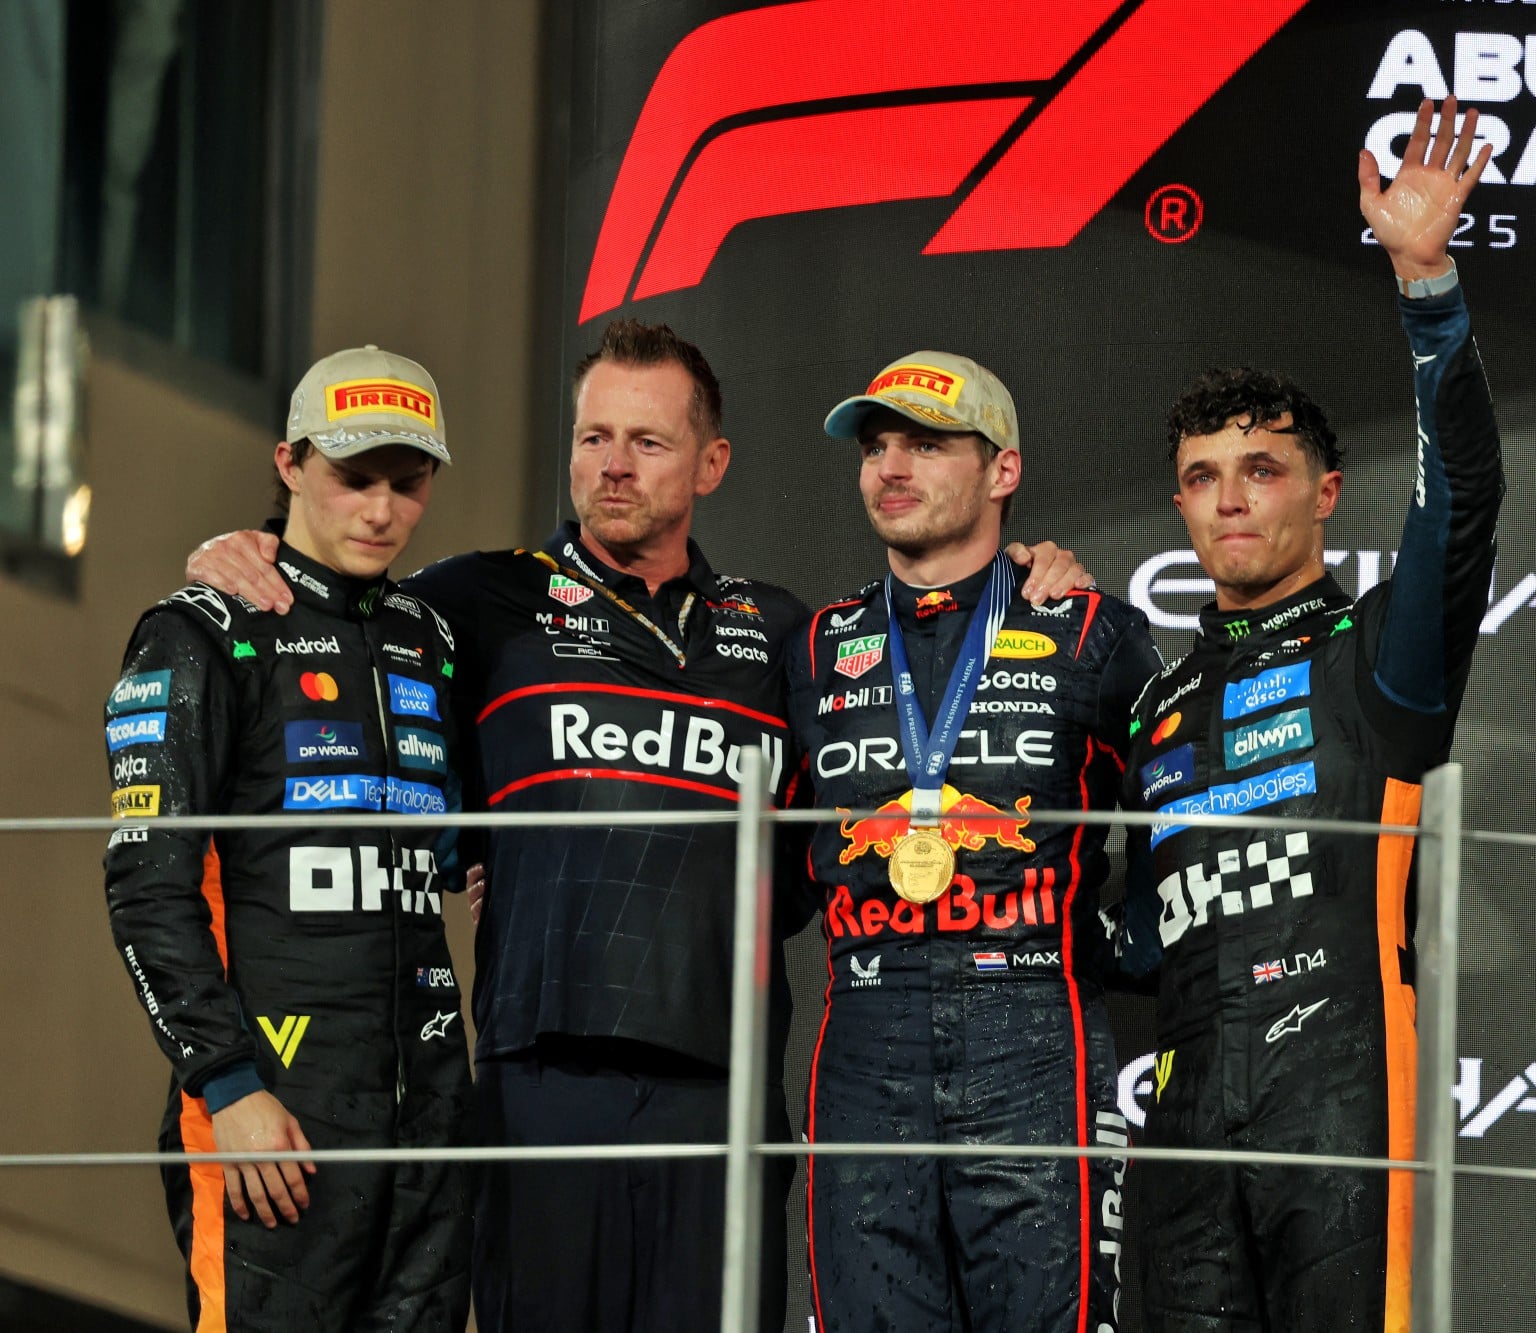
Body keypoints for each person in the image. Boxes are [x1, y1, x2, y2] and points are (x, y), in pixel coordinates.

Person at [184, 321, 1090, 1332]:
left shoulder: (787, 631)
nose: (611, 467)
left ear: (712, 462)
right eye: (591, 438)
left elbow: (919, 684)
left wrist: (1036, 571)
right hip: (538, 1085)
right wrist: (248, 546)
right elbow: (340, 602)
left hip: (724, 1091)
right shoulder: (480, 600)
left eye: (647, 443)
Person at [1116, 96, 1506, 1331]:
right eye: (1200, 478)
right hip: (1177, 1119)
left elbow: (1465, 500)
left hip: (1339, 1096)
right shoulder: (1155, 702)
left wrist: (1426, 284)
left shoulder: (1376, 655)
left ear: (1325, 492)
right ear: (1179, 507)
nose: (1229, 501)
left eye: (1262, 469)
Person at [784, 352, 1161, 1331]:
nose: (890, 467)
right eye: (875, 447)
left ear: (1003, 471)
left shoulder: (1092, 631)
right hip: (865, 1023)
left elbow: (1184, 810)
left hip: (1031, 1021)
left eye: (924, 444)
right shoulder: (816, 646)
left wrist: (1119, 951)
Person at [104, 345, 471, 1330]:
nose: (381, 509)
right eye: (354, 478)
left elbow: (457, 845)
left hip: (432, 1118)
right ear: (290, 463)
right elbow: (145, 887)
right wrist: (224, 1084)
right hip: (275, 1112)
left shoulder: (428, 638)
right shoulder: (202, 632)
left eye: (408, 481)